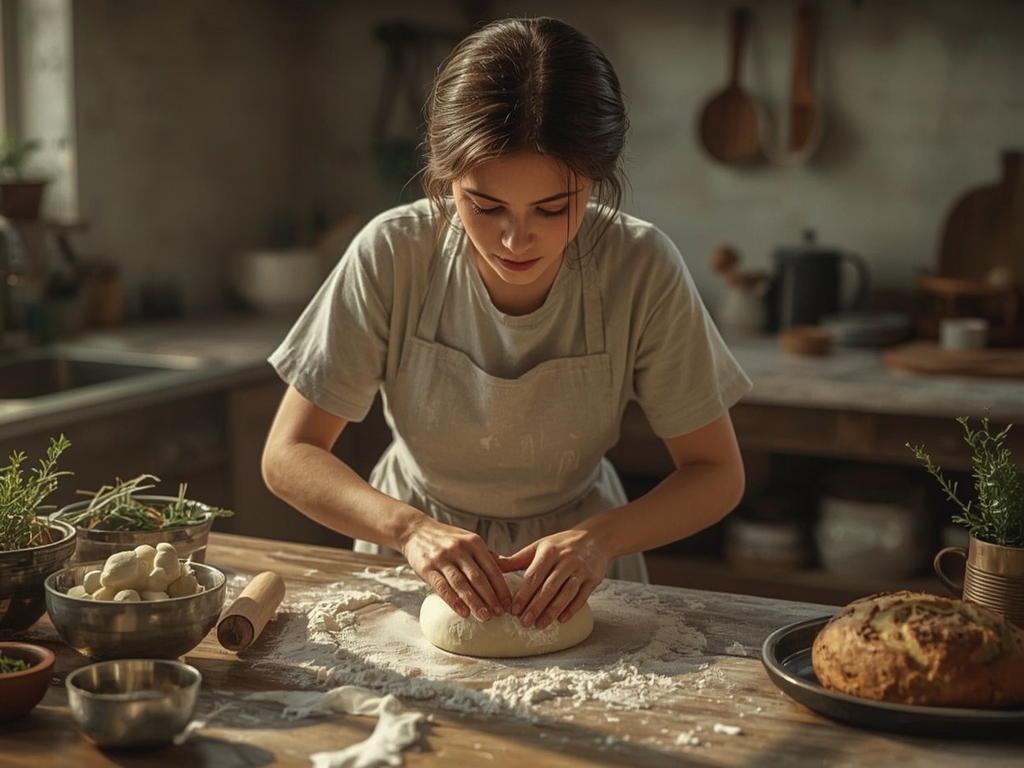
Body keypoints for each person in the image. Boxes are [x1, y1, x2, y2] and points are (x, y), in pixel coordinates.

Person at [262, 16, 751, 634]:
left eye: (553, 207)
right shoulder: (393, 253)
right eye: (483, 206)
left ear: (597, 181)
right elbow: (289, 454)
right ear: (445, 181)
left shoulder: (640, 266)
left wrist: (599, 539)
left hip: (581, 568)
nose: (516, 239)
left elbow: (716, 472)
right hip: (412, 559)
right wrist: (409, 528)